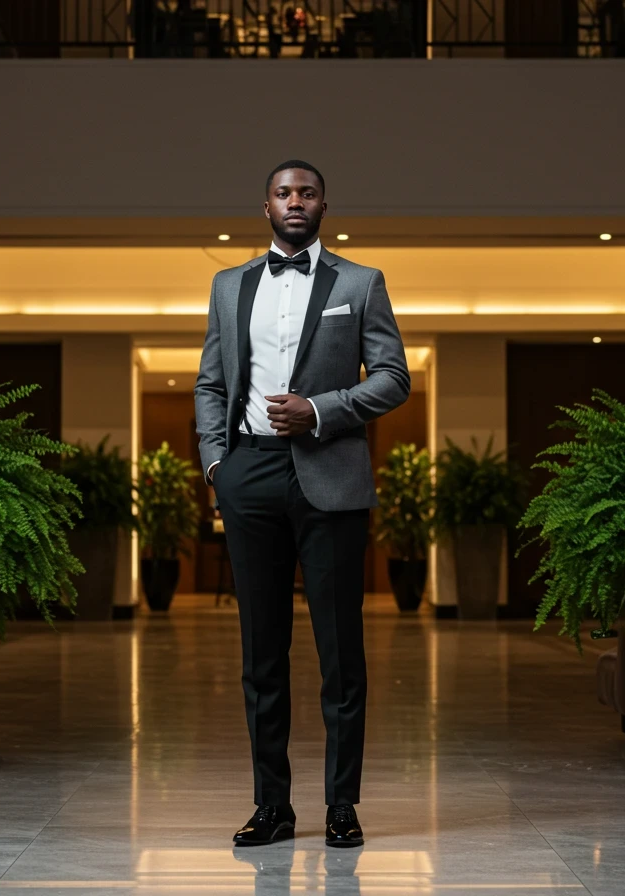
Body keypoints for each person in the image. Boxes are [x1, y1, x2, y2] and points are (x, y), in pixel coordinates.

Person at [194, 160, 410, 848]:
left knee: (340, 653)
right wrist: (216, 464)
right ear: (266, 206)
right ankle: (273, 809)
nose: (296, 202)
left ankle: (341, 808)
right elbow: (209, 382)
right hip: (249, 475)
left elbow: (393, 378)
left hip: (331, 476)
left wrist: (320, 409)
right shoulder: (228, 287)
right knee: (262, 654)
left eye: (307, 192)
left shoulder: (360, 283)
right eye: (284, 193)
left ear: (324, 204)